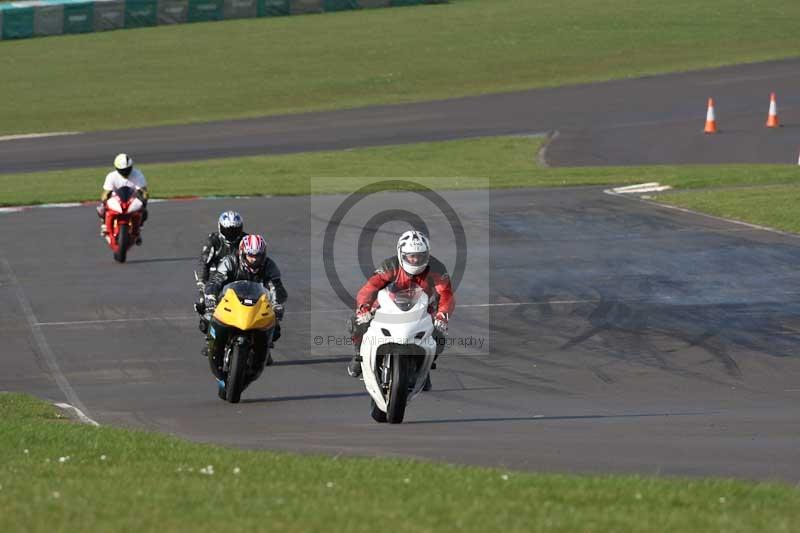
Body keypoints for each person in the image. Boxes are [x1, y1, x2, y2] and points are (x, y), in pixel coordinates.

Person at [347, 230, 454, 389]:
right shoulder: (390, 266)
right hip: (387, 307)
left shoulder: (436, 268)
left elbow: (445, 293)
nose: (416, 260)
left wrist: (442, 316)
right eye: (411, 256)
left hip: (423, 309)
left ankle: (424, 368)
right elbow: (370, 288)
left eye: (420, 256)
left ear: (427, 255)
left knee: (439, 336)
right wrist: (364, 308)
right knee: (356, 322)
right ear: (401, 254)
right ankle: (359, 356)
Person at [202, 235, 287, 375]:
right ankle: (213, 344)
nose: (254, 259)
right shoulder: (230, 261)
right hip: (230, 302)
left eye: (258, 256)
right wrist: (210, 296)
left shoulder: (269, 266)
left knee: (275, 327)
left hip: (256, 305)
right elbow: (215, 281)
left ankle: (263, 352)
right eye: (251, 255)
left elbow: (276, 287)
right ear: (242, 253)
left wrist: (277, 304)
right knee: (207, 316)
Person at [194, 210, 247, 316]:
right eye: (228, 230)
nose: (231, 234)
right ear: (220, 228)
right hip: (216, 280)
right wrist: (202, 285)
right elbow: (203, 264)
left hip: (239, 279)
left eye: (235, 230)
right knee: (203, 305)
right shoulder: (214, 241)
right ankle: (209, 322)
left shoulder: (245, 241)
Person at [97, 153, 149, 244]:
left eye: (127, 169)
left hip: (131, 200)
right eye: (123, 170)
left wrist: (144, 200)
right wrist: (104, 201)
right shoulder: (111, 176)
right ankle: (104, 225)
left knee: (144, 212)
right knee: (101, 209)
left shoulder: (137, 174)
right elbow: (106, 192)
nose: (125, 172)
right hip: (115, 200)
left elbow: (143, 191)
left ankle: (138, 230)